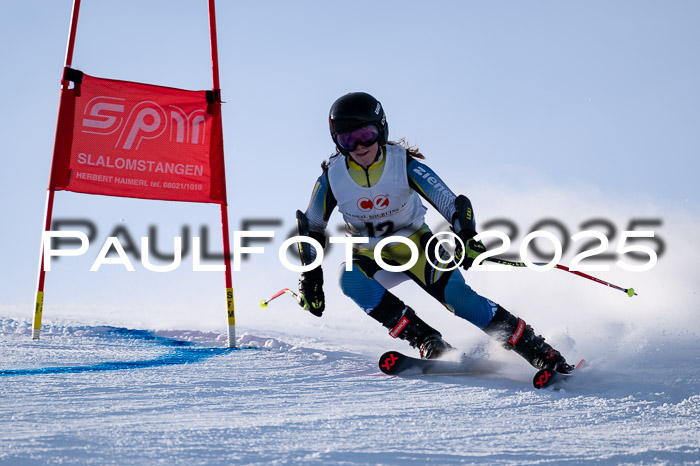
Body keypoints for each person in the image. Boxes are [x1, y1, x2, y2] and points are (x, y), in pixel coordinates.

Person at [294, 91, 573, 373]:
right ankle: (428, 341)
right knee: (350, 279)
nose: (358, 146)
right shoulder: (333, 176)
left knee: (461, 301)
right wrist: (310, 275)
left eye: (365, 134)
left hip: (418, 248)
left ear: (381, 129)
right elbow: (312, 226)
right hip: (370, 254)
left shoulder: (401, 164)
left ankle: (541, 353)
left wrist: (467, 236)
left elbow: (451, 203)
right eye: (347, 139)